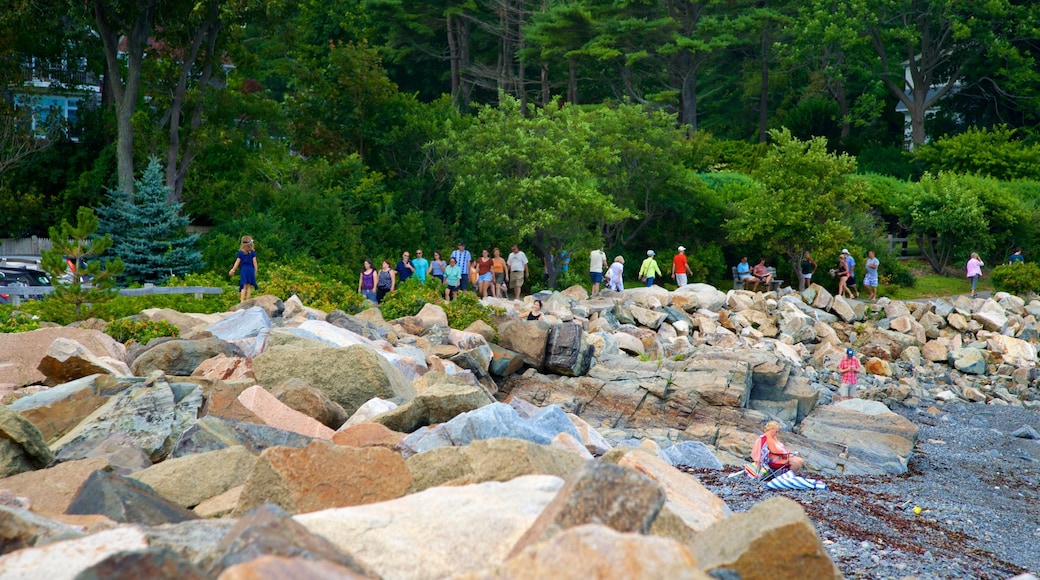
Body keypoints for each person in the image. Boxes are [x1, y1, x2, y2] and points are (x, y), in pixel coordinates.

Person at [228, 235, 258, 303]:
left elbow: (237, 262)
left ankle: (242, 300)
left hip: (244, 270)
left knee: (244, 286)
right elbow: (255, 263)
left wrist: (233, 269)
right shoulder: (252, 253)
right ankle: (247, 300)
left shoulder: (240, 253)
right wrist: (255, 270)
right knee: (249, 286)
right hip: (250, 269)